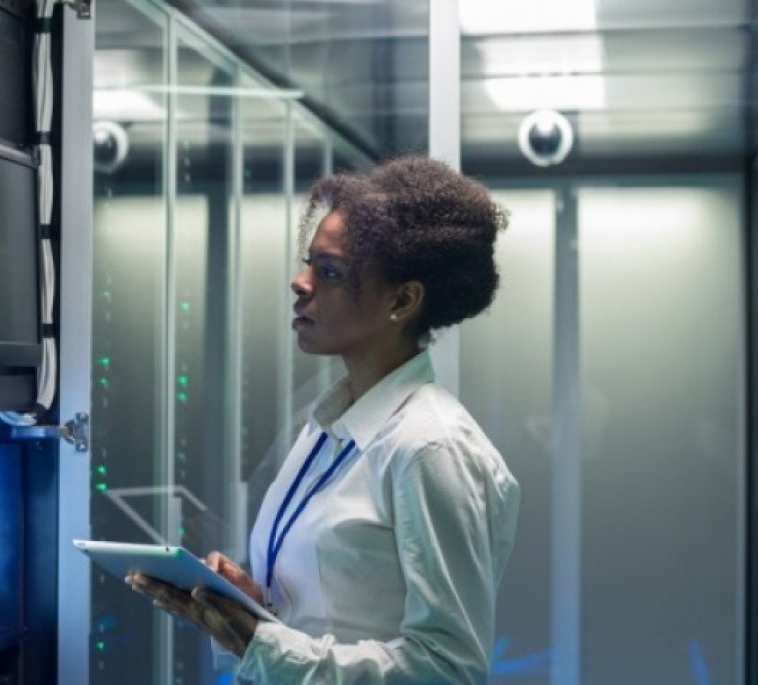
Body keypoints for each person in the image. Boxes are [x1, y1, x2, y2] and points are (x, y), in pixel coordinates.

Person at [129, 155, 521, 684]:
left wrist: (261, 642)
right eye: (308, 262)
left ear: (402, 301)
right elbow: (337, 615)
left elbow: (448, 670)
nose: (300, 282)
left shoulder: (430, 448)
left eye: (329, 272)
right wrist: (254, 610)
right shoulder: (326, 427)